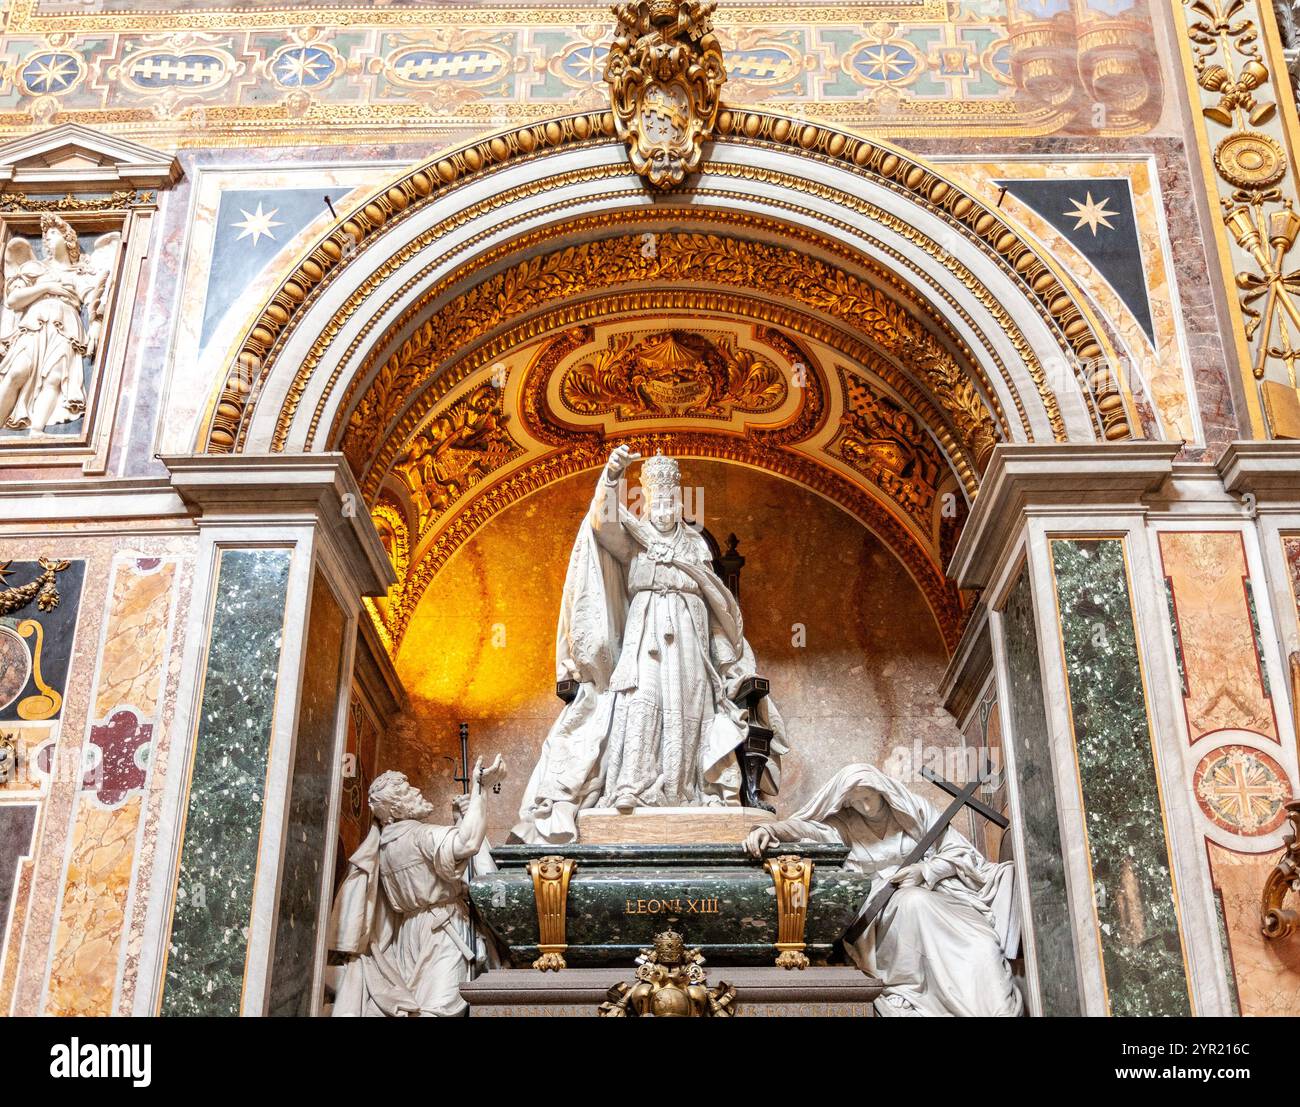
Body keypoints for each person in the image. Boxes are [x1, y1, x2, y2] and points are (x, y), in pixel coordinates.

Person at [512, 446, 787, 843]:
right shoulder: (633, 542)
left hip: (691, 639)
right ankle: (633, 785)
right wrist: (611, 476)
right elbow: (603, 525)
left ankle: (691, 789)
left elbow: (715, 607)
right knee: (641, 700)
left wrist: (728, 662)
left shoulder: (695, 545)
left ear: (678, 502)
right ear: (648, 502)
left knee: (691, 706)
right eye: (657, 500)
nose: (664, 506)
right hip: (645, 634)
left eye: (670, 499)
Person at [745, 763, 1022, 1017]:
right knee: (913, 903)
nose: (865, 807)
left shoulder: (914, 810)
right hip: (886, 911)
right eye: (856, 801)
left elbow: (957, 850)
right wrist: (772, 830)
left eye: (869, 797)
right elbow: (806, 828)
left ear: (882, 790)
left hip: (939, 897)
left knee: (981, 945)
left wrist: (925, 871)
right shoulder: (843, 825)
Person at [327, 756, 504, 1016]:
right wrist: (480, 789)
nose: (418, 790)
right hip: (442, 931)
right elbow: (467, 844)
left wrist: (459, 819)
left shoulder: (383, 845)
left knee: (419, 1008)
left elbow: (435, 866)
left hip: (409, 934)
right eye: (409, 790)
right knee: (438, 1009)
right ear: (398, 806)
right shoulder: (420, 835)